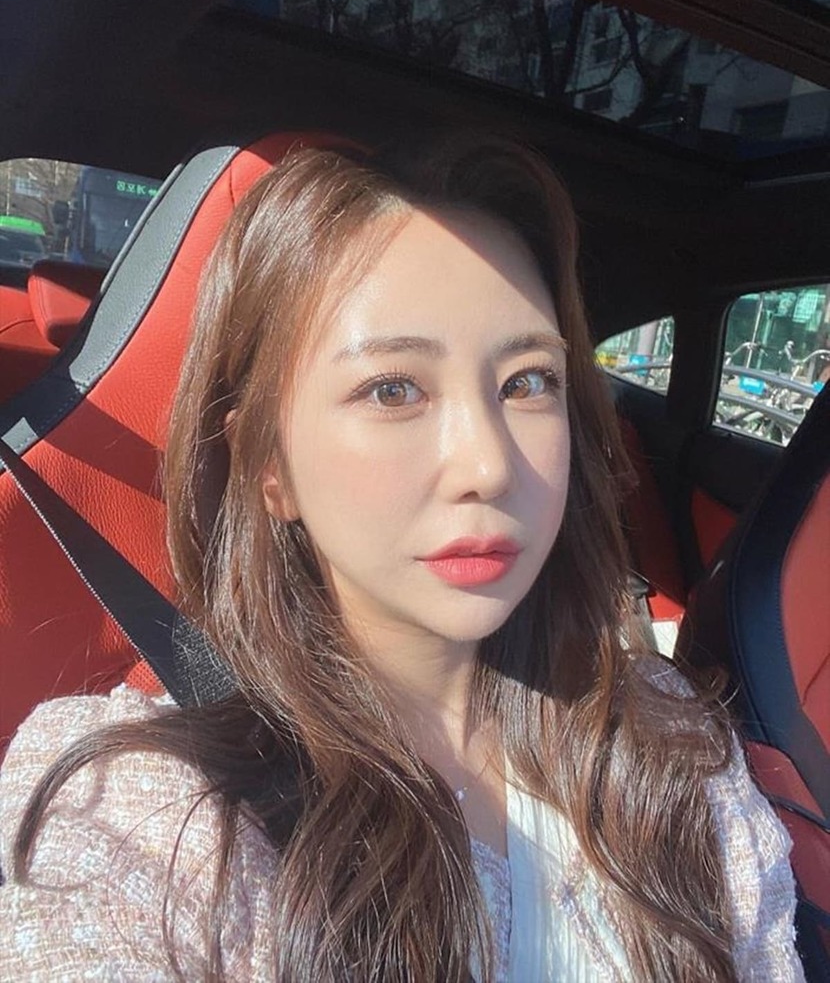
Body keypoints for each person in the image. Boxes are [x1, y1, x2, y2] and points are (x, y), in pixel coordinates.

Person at [0, 136, 803, 982]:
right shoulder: (147, 809)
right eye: (393, 390)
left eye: (527, 382)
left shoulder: (668, 742)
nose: (489, 466)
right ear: (270, 467)